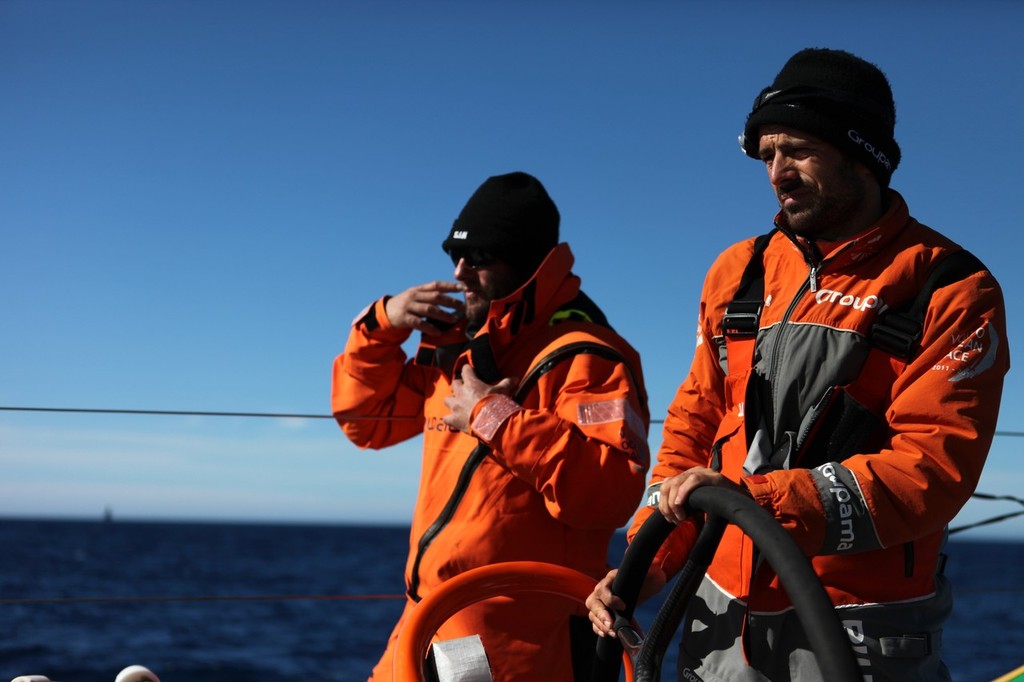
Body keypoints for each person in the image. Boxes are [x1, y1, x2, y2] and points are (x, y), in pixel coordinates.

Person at [587, 48, 1010, 681]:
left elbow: (932, 469)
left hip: (858, 625)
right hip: (719, 612)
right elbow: (693, 431)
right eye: (767, 156)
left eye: (799, 150)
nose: (778, 173)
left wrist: (758, 504)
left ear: (862, 153)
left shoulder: (951, 290)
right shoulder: (737, 273)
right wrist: (647, 558)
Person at [332, 171, 651, 681]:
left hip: (521, 642)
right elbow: (367, 424)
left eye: (480, 258)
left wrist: (491, 417)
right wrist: (380, 326)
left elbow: (610, 490)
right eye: (455, 257)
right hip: (428, 621)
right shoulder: (465, 352)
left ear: (525, 264)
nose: (460, 271)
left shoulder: (585, 355)